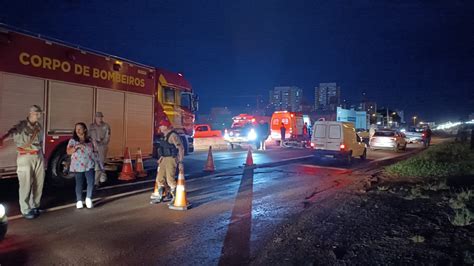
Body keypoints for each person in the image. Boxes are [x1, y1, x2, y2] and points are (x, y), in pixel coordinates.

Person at [2, 105, 45, 219]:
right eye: (37, 113)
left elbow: (40, 142)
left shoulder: (39, 126)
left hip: (38, 155)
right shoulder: (21, 126)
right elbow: (10, 133)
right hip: (25, 156)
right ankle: (25, 210)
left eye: (40, 113)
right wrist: (2, 139)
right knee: (25, 184)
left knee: (38, 183)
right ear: (31, 113)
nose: (39, 115)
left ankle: (35, 205)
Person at [151, 120, 184, 204]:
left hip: (171, 159)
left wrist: (180, 162)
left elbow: (180, 148)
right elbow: (165, 148)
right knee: (159, 178)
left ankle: (175, 197)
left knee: (170, 179)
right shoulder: (165, 136)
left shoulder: (173, 135)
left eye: (161, 126)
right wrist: (161, 157)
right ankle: (163, 195)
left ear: (165, 127)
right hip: (165, 159)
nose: (160, 128)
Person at [67, 123, 97, 209]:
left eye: (80, 128)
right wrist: (77, 146)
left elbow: (95, 151)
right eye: (76, 129)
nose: (78, 130)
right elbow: (68, 151)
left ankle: (88, 199)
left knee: (90, 182)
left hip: (89, 164)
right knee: (79, 183)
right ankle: (79, 200)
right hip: (78, 165)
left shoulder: (90, 140)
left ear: (84, 130)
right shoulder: (73, 141)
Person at [89, 112, 110, 186]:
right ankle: (103, 177)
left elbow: (107, 137)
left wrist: (101, 142)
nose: (99, 118)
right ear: (95, 118)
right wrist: (92, 142)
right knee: (93, 165)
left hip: (102, 147)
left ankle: (96, 183)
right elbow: (88, 136)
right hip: (92, 147)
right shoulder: (91, 126)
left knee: (99, 164)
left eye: (101, 117)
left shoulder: (106, 126)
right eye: (98, 117)